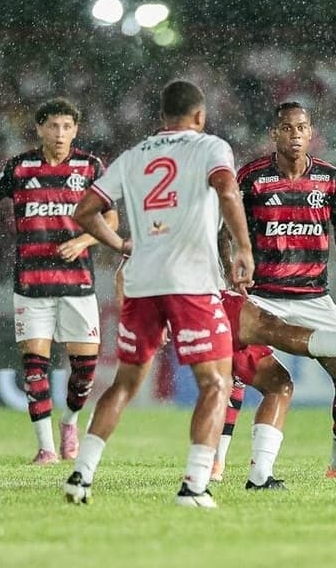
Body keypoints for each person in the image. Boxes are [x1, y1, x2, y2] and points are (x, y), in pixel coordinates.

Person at [62, 80, 255, 508]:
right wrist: (243, 247)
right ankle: (194, 485)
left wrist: (120, 244)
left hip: (142, 281)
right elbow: (227, 190)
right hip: (191, 282)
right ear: (200, 116)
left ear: (162, 116)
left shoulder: (134, 156)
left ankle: (81, 474)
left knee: (124, 384)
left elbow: (84, 211)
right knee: (216, 383)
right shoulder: (211, 147)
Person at [115, 260, 336, 490]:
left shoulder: (180, 218)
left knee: (274, 384)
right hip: (213, 307)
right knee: (270, 336)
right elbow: (128, 266)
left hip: (211, 306)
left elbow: (127, 266)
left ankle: (242, 473)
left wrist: (141, 315)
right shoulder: (198, 215)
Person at [0, 98, 116, 465]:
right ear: (39, 129)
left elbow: (112, 219)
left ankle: (70, 421)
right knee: (34, 366)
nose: (59, 133)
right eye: (53, 126)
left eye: (66, 127)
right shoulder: (20, 167)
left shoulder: (91, 167)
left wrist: (83, 240)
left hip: (77, 282)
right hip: (31, 283)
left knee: (84, 373)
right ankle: (45, 448)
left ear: (75, 130)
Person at [216, 101, 336, 481]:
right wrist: (230, 278)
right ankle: (217, 461)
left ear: (311, 132)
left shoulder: (331, 179)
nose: (295, 135)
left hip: (314, 297)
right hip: (262, 295)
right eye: (287, 128)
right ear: (274, 134)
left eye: (301, 128)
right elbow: (225, 233)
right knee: (237, 374)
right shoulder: (252, 177)